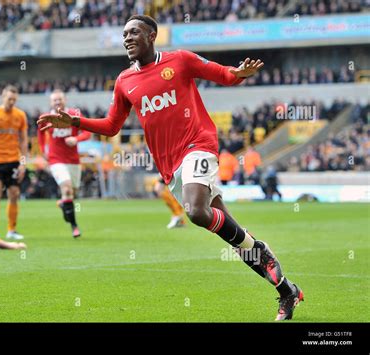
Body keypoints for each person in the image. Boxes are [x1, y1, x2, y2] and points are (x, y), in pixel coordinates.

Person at [38, 15, 303, 321]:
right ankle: (287, 292)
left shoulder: (180, 61)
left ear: (152, 36)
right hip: (170, 165)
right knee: (229, 233)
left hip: (199, 144)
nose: (127, 38)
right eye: (124, 34)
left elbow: (222, 74)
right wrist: (74, 121)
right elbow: (111, 126)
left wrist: (239, 73)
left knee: (196, 212)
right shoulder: (125, 81)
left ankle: (260, 249)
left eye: (133, 32)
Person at [37, 90, 91, 238]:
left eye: (59, 99)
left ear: (65, 100)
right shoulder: (46, 118)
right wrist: (43, 151)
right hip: (55, 160)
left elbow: (88, 132)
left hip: (73, 160)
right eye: (54, 100)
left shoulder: (74, 114)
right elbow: (40, 134)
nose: (57, 102)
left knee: (72, 192)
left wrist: (76, 139)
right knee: (67, 188)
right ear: (50, 103)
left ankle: (63, 203)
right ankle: (75, 227)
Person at [0, 85, 28, 240]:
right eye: (9, 99)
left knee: (14, 194)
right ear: (3, 97)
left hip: (14, 160)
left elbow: (23, 140)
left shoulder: (20, 115)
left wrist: (23, 163)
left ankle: (11, 230)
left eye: (14, 99)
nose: (11, 102)